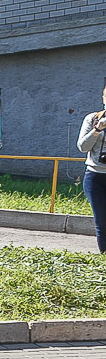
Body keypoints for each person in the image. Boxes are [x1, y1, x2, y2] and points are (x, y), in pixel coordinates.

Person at [78, 83, 106, 252]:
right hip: (95, 176)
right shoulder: (92, 118)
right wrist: (97, 129)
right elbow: (82, 147)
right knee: (102, 220)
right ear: (103, 99)